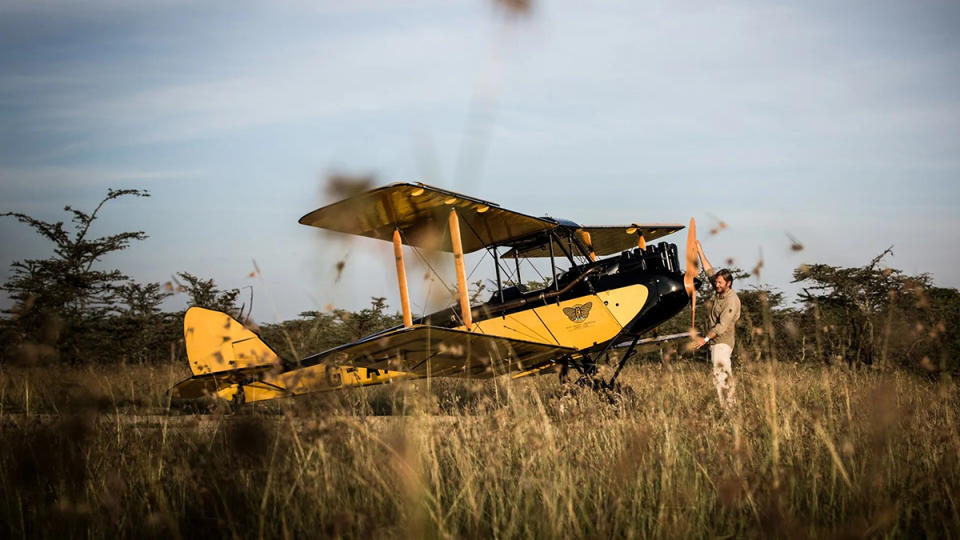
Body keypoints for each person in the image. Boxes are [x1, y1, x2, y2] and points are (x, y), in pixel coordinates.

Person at [694, 241, 741, 408]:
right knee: (718, 375)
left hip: (722, 341)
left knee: (721, 375)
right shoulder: (720, 289)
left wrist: (704, 340)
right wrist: (699, 250)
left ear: (728, 284)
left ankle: (729, 407)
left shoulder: (731, 301)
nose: (716, 285)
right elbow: (709, 272)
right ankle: (728, 406)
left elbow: (721, 327)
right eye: (716, 282)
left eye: (720, 283)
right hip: (715, 342)